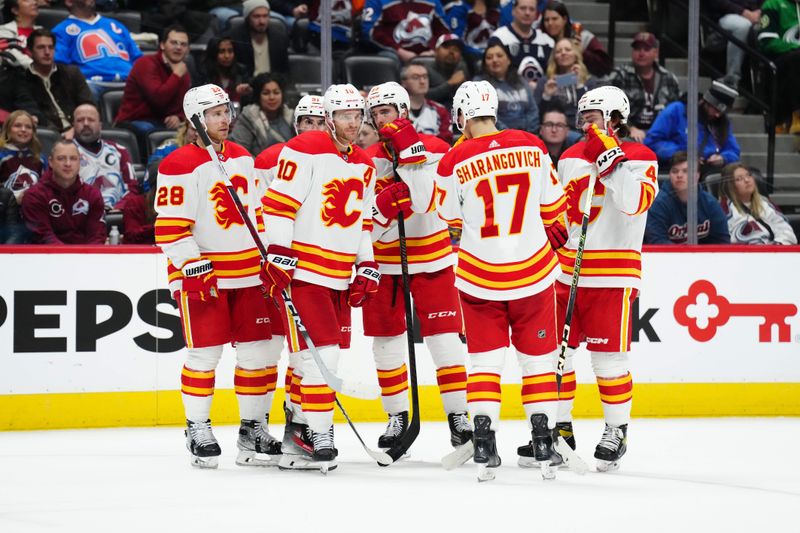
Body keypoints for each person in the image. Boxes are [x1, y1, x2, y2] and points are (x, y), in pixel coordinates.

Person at [399, 80, 569, 480]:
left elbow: (448, 218)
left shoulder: (452, 160)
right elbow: (554, 206)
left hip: (479, 277)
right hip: (533, 272)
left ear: (461, 115)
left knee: (484, 364)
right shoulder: (532, 145)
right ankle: (543, 439)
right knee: (538, 362)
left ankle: (484, 443)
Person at [154, 84, 282, 469]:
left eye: (226, 112)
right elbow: (169, 228)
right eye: (214, 113)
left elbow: (259, 215)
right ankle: (197, 427)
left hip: (248, 274)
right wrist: (192, 266)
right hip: (204, 274)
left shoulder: (243, 156)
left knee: (257, 355)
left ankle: (252, 428)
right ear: (196, 120)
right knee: (204, 354)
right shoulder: (178, 163)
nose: (224, 119)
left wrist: (271, 256)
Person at [259, 83, 378, 471]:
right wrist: (279, 254)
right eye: (345, 115)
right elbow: (277, 206)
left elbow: (362, 221)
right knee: (320, 355)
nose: (352, 122)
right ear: (328, 118)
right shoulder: (305, 149)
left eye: (357, 115)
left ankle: (297, 434)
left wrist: (367, 263)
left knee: (306, 357)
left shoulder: (365, 163)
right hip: (306, 272)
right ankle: (321, 436)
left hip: (340, 276)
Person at [541, 86, 659, 472]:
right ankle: (560, 429)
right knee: (558, 359)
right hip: (566, 269)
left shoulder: (642, 157)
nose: (585, 124)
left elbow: (633, 203)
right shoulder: (571, 157)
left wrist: (610, 160)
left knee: (608, 360)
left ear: (614, 118)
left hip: (614, 272)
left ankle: (616, 430)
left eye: (593, 117)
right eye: (583, 117)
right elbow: (559, 208)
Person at [364, 82, 471, 451]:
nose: (381, 120)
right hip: (384, 265)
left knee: (444, 340)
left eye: (387, 111)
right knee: (387, 344)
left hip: (433, 259)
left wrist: (411, 156)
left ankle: (459, 415)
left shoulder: (437, 150)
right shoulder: (367, 159)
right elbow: (365, 225)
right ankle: (397, 416)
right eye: (375, 114)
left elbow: (427, 203)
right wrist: (381, 211)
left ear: (404, 111)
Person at [253, 94, 326, 452]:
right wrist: (276, 257)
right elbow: (261, 215)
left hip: (313, 272)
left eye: (318, 122)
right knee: (267, 353)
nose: (312, 129)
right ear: (295, 125)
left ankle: (300, 422)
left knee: (304, 356)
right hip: (276, 269)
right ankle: (255, 426)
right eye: (306, 122)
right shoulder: (271, 159)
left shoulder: (333, 161)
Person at [645, 79, 741, 174]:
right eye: (715, 109)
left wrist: (723, 158)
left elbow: (733, 150)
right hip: (676, 168)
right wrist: (683, 154)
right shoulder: (677, 110)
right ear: (706, 102)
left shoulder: (722, 122)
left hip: (706, 170)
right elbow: (652, 142)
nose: (717, 115)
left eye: (721, 112)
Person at [52, 0, 143, 99]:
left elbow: (138, 58)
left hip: (128, 80)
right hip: (92, 83)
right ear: (69, 2)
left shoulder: (115, 25)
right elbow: (61, 66)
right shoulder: (61, 31)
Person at [21, 140, 106, 244]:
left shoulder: (92, 194)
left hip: (86, 257)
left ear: (80, 162)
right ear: (51, 162)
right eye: (61, 158)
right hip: (48, 258)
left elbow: (97, 236)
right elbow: (43, 237)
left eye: (73, 159)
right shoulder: (34, 196)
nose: (68, 164)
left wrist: (86, 257)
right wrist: (69, 257)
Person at [114, 25, 192, 135]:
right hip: (135, 121)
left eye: (183, 44)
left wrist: (178, 117)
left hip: (162, 122)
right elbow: (158, 99)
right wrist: (176, 76)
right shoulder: (146, 63)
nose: (178, 47)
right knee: (148, 130)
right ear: (162, 45)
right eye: (174, 43)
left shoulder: (182, 71)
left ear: (188, 50)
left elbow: (184, 105)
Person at [607, 32, 681, 143]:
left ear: (656, 53)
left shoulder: (669, 78)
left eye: (646, 49)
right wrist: (629, 127)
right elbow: (609, 108)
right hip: (628, 132)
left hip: (661, 133)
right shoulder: (620, 75)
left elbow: (676, 112)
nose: (641, 53)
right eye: (637, 49)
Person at [20, 28, 93, 137]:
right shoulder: (22, 79)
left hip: (79, 132)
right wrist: (57, 134)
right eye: (41, 47)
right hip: (48, 136)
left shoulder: (72, 73)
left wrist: (75, 129)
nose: (47, 52)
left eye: (51, 47)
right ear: (30, 51)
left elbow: (88, 105)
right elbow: (33, 113)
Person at [644, 151, 729, 244]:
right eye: (675, 171)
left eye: (686, 171)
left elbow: (722, 241)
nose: (679, 175)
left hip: (704, 257)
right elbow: (656, 242)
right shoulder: (658, 204)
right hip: (668, 258)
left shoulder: (710, 203)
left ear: (697, 175)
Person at [72, 103, 137, 210]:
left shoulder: (119, 151)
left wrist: (119, 207)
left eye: (91, 120)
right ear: (73, 125)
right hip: (80, 215)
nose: (86, 123)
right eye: (80, 120)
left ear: (100, 125)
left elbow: (132, 188)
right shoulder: (64, 153)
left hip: (117, 212)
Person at [535, 37, 597, 143]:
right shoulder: (545, 81)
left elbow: (591, 112)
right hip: (554, 128)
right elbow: (538, 115)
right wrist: (547, 96)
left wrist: (579, 85)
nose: (563, 53)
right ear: (554, 57)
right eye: (558, 51)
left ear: (575, 54)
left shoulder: (589, 81)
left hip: (581, 129)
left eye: (568, 50)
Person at [718, 163, 798, 244]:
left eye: (748, 175)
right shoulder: (727, 210)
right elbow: (744, 240)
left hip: (778, 251)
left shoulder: (764, 202)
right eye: (739, 179)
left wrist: (779, 244)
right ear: (730, 186)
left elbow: (785, 229)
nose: (747, 180)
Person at [361, 0, 450, 65]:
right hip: (394, 53)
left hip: (428, 52)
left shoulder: (433, 1)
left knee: (453, 58)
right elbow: (370, 32)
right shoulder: (377, 1)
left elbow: (443, 30)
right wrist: (399, 51)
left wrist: (433, 49)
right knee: (390, 59)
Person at [477, 38, 539, 132]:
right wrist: (508, 134)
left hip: (526, 135)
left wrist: (528, 133)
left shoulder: (521, 81)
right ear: (485, 64)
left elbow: (533, 110)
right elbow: (488, 117)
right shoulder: (479, 85)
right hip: (498, 137)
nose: (494, 60)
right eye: (489, 57)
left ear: (509, 60)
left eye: (499, 55)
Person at [758, 0, 800, 133]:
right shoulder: (772, 4)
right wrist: (795, 48)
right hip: (777, 59)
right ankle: (796, 117)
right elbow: (767, 41)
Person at [540, 1, 611, 78]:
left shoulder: (583, 37)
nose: (550, 23)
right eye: (546, 20)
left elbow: (605, 67)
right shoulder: (541, 42)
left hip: (587, 84)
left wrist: (583, 52)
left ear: (564, 19)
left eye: (555, 19)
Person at [491, 0, 554, 86]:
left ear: (536, 14)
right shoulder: (499, 38)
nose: (527, 13)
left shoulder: (548, 42)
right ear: (513, 11)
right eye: (523, 8)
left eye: (532, 9)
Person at [230, 73, 294, 155]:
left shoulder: (293, 117)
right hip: (256, 166)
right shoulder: (248, 118)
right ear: (258, 96)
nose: (272, 97)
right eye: (266, 93)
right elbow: (239, 154)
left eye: (276, 92)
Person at [222, 0, 289, 78]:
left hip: (271, 86)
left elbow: (284, 71)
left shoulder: (279, 38)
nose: (262, 21)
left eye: (265, 16)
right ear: (247, 18)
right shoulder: (234, 37)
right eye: (256, 16)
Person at [708, 0, 761, 87]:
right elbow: (718, 3)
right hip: (725, 15)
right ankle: (731, 79)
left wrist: (761, 11)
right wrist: (744, 13)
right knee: (743, 26)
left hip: (754, 15)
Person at [0, 110, 47, 205]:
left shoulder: (39, 158)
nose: (23, 130)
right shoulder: (2, 155)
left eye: (28, 127)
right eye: (17, 126)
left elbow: (47, 186)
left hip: (34, 208)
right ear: (8, 129)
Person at [401, 63, 453, 143]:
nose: (422, 81)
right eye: (416, 77)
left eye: (425, 77)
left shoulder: (440, 110)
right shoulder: (397, 111)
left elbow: (446, 142)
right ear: (404, 82)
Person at [422, 33, 468, 111]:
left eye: (456, 49)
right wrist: (450, 84)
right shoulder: (423, 69)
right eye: (446, 47)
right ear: (436, 50)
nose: (451, 52)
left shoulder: (463, 71)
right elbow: (421, 96)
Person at [199, 37, 251, 106]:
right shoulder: (204, 73)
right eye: (221, 52)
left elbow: (248, 100)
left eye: (230, 51)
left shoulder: (241, 71)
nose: (227, 56)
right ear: (213, 53)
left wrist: (248, 91)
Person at [0, 0, 40, 69]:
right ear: (15, 10)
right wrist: (41, 68)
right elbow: (14, 57)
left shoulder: (42, 30)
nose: (34, 2)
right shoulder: (4, 31)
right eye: (27, 0)